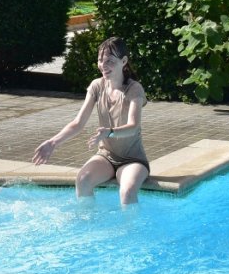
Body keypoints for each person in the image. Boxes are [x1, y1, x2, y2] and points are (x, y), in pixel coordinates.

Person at [32, 36, 149, 205]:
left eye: (109, 61)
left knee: (127, 191)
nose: (103, 65)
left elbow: (133, 126)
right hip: (106, 157)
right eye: (100, 60)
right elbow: (78, 123)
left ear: (124, 61)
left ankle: (130, 223)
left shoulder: (134, 89)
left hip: (132, 159)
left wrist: (109, 132)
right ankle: (89, 219)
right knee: (83, 180)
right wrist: (53, 142)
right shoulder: (97, 86)